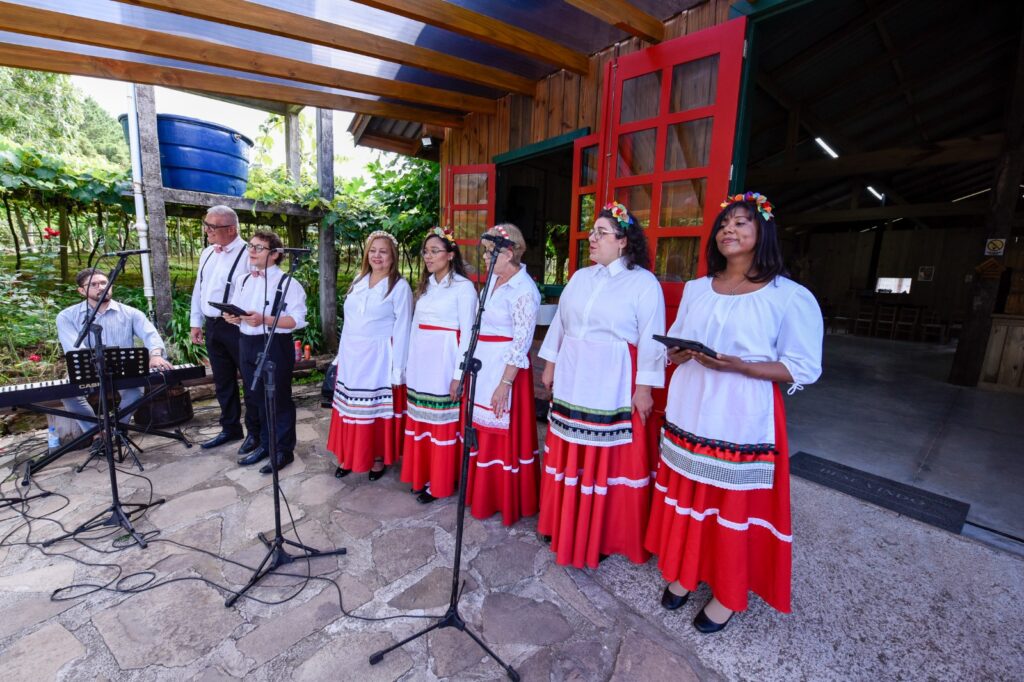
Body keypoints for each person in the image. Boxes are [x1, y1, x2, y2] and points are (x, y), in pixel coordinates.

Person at [644, 192, 823, 633]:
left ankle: (727, 593)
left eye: (742, 223)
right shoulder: (696, 288)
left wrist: (742, 365)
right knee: (688, 494)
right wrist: (680, 353)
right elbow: (678, 341)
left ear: (763, 232)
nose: (730, 229)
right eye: (724, 223)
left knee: (731, 505)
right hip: (691, 407)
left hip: (740, 414)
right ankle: (686, 573)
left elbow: (803, 367)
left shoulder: (789, 296)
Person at [537, 201, 665, 568]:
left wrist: (645, 389)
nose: (591, 238)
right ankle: (561, 520)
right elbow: (561, 323)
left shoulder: (642, 282)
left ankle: (602, 532)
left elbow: (653, 339)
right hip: (574, 372)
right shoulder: (580, 277)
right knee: (568, 449)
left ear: (623, 241)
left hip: (613, 377)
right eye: (592, 232)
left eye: (601, 233)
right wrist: (550, 364)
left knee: (606, 459)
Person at [464, 224, 541, 526]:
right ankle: (482, 494)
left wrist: (505, 383)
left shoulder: (524, 290)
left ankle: (503, 499)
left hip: (507, 370)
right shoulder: (493, 283)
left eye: (489, 252)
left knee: (502, 434)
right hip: (485, 364)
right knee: (482, 431)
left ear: (509, 253)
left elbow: (521, 341)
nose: (484, 257)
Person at [400, 226, 477, 504]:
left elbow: (468, 332)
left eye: (435, 251)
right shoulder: (426, 287)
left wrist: (459, 374)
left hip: (444, 363)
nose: (428, 257)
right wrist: (408, 365)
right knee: (421, 421)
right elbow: (415, 328)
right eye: (426, 252)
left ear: (451, 254)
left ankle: (440, 482)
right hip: (422, 363)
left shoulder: (463, 288)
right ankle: (422, 475)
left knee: (441, 426)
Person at [328, 230, 412, 481]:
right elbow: (351, 322)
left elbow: (403, 328)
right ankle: (348, 455)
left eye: (383, 251)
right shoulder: (358, 280)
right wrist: (340, 357)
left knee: (372, 409)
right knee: (349, 407)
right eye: (373, 251)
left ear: (392, 256)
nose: (377, 256)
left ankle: (375, 457)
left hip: (379, 357)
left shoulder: (399, 287)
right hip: (353, 354)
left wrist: (398, 369)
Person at [223, 230, 306, 474]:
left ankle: (282, 450)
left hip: (274, 345)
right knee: (255, 397)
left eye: (259, 248)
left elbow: (297, 320)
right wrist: (235, 318)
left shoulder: (287, 283)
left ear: (275, 254)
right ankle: (263, 442)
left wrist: (265, 320)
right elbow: (242, 315)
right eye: (251, 246)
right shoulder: (243, 280)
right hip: (246, 343)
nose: (252, 251)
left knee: (278, 399)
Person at [56, 268, 174, 435]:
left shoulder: (131, 313)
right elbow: (74, 349)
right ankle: (97, 434)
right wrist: (92, 366)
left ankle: (117, 430)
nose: (101, 287)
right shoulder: (66, 316)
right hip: (87, 370)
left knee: (135, 392)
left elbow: (151, 335)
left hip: (123, 370)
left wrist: (155, 355)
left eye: (104, 283)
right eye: (94, 284)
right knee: (69, 394)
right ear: (81, 291)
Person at [189, 206, 258, 453]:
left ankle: (255, 432)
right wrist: (195, 322)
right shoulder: (208, 253)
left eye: (212, 227)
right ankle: (230, 428)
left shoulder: (250, 253)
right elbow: (200, 287)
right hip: (213, 326)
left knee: (250, 381)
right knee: (222, 381)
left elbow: (257, 291)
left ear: (231, 229)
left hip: (238, 327)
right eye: (206, 225)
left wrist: (243, 315)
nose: (207, 231)